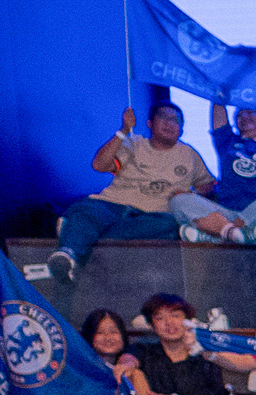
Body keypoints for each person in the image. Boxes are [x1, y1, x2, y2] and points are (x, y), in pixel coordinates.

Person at [50, 100, 217, 280]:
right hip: (112, 205)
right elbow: (99, 165)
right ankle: (66, 256)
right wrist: (122, 131)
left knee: (173, 225)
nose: (169, 123)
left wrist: (192, 195)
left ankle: (78, 233)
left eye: (175, 120)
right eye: (163, 117)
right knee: (86, 210)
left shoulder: (189, 154)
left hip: (153, 216)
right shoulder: (134, 143)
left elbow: (208, 184)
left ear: (181, 129)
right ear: (150, 123)